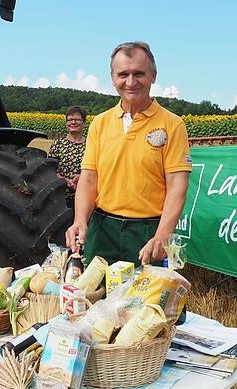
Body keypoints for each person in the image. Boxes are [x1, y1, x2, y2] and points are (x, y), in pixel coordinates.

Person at [65, 41, 192, 266]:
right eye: (123, 74)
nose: (131, 82)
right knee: (95, 296)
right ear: (113, 78)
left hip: (148, 233)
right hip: (102, 229)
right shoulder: (100, 124)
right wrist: (80, 220)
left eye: (139, 74)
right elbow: (89, 178)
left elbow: (177, 186)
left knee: (144, 300)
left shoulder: (173, 125)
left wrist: (162, 235)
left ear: (153, 75)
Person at [48, 106, 87, 208]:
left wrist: (82, 177)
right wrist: (64, 180)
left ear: (84, 123)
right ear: (66, 123)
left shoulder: (91, 144)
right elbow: (49, 170)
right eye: (70, 120)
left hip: (85, 197)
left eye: (77, 119)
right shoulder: (58, 144)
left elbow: (98, 168)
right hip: (60, 197)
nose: (73, 122)